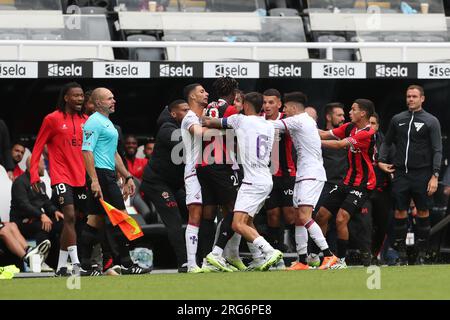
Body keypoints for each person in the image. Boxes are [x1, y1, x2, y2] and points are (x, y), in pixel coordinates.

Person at [203, 92, 283, 272]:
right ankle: (256, 258)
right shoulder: (268, 125)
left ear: (247, 105)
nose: (236, 104)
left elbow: (210, 122)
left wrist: (196, 116)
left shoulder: (240, 120)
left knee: (237, 224)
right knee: (247, 221)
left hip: (252, 181)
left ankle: (269, 251)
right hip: (265, 179)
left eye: (239, 101)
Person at [82, 87, 151, 275]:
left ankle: (85, 266)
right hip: (101, 175)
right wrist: (94, 180)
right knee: (121, 218)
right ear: (98, 103)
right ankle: (127, 264)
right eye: (109, 98)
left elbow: (113, 154)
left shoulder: (108, 123)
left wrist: (128, 176)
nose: (114, 101)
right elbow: (86, 151)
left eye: (113, 97)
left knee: (94, 221)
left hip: (107, 174)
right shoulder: (93, 122)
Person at [272, 92, 337, 270]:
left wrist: (246, 122)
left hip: (311, 174)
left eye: (284, 107)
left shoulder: (299, 120)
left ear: (293, 107)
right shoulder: (306, 121)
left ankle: (329, 255)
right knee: (298, 218)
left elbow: (270, 125)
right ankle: (302, 261)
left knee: (304, 216)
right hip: (304, 174)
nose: (283, 111)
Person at [378, 85, 442, 265]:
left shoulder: (431, 121)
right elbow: (386, 142)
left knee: (422, 211)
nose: (410, 99)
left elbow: (438, 150)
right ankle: (402, 255)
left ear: (422, 99)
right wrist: (381, 160)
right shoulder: (397, 119)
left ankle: (423, 254)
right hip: (400, 174)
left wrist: (435, 175)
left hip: (423, 174)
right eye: (408, 96)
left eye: (414, 96)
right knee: (399, 211)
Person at [29, 82, 88, 276]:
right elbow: (38, 147)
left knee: (76, 221)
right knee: (69, 216)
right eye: (76, 95)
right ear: (66, 98)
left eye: (82, 95)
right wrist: (33, 174)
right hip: (61, 176)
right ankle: (76, 264)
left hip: (81, 177)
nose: (80, 99)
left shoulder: (86, 120)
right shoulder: (52, 119)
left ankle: (61, 266)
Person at [316, 99, 376, 269]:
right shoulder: (350, 127)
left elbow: (339, 144)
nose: (349, 112)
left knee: (341, 219)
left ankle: (341, 260)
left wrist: (313, 142)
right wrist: (305, 128)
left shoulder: (367, 133)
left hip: (362, 185)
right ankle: (315, 256)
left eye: (353, 109)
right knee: (321, 215)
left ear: (363, 113)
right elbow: (325, 134)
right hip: (347, 180)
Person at [140, 100, 190, 273]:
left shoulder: (187, 126)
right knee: (174, 219)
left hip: (175, 184)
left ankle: (203, 257)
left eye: (190, 110)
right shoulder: (167, 129)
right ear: (174, 114)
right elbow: (186, 144)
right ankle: (184, 263)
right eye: (185, 110)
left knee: (196, 213)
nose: (188, 113)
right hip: (156, 183)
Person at [200, 76, 243, 271]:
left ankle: (206, 258)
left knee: (209, 213)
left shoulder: (208, 107)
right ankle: (216, 255)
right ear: (234, 92)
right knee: (236, 209)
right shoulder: (231, 109)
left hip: (203, 162)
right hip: (221, 162)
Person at [10, 156, 64, 268]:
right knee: (43, 227)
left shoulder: (40, 183)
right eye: (43, 163)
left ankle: (58, 263)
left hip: (37, 220)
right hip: (21, 223)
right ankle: (43, 263)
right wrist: (42, 215)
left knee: (62, 224)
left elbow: (46, 202)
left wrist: (55, 212)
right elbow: (24, 205)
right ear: (35, 165)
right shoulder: (20, 182)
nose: (45, 167)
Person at [262, 88, 296, 263]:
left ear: (279, 104)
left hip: (288, 173)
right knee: (272, 214)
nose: (267, 106)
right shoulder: (259, 120)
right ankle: (274, 250)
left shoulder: (287, 120)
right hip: (267, 175)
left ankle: (297, 247)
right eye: (265, 102)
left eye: (271, 102)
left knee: (290, 214)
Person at [181, 83, 208, 273]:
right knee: (195, 215)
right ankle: (191, 263)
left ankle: (212, 258)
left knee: (212, 216)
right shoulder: (189, 117)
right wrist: (228, 129)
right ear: (192, 97)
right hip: (193, 173)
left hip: (208, 173)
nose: (206, 94)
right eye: (201, 91)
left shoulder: (203, 118)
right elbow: (198, 133)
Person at [369, 113, 393, 262]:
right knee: (364, 224)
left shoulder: (387, 144)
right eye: (368, 123)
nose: (370, 126)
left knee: (382, 226)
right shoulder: (354, 141)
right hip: (362, 190)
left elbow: (394, 166)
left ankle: (374, 254)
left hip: (382, 190)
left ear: (377, 126)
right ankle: (364, 252)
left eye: (373, 123)